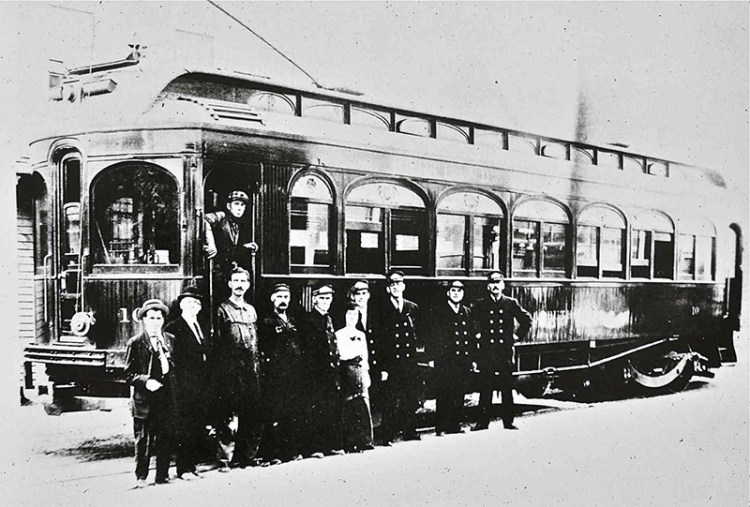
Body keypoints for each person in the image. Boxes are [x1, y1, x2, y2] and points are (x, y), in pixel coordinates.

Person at [213, 266, 263, 468]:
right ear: (230, 284)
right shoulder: (222, 310)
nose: (240, 285)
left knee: (252, 413)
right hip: (231, 370)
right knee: (229, 415)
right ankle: (225, 459)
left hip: (251, 369)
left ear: (248, 285)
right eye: (236, 281)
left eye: (243, 281)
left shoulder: (251, 310)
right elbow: (218, 343)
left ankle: (248, 457)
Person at [124, 298, 176, 488]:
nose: (155, 322)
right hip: (145, 400)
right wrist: (147, 382)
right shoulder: (136, 343)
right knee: (143, 440)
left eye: (159, 318)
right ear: (144, 320)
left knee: (165, 437)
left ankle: (162, 475)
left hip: (165, 397)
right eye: (151, 318)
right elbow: (128, 374)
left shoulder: (170, 340)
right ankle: (141, 477)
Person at [471, 272, 532, 431]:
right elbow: (472, 320)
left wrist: (517, 336)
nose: (495, 285)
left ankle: (508, 422)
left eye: (498, 282)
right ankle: (482, 423)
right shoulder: (481, 304)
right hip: (487, 352)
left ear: (503, 285)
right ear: (488, 286)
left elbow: (526, 319)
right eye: (492, 282)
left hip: (504, 352)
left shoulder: (510, 303)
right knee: (486, 388)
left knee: (506, 388)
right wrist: (477, 333)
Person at [164, 285, 210, 479]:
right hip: (184, 385)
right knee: (185, 427)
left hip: (199, 385)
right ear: (182, 305)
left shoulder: (199, 326)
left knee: (196, 425)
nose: (194, 306)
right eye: (190, 303)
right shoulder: (174, 327)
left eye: (197, 303)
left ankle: (191, 466)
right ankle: (183, 469)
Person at [257, 283, 306, 464]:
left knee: (292, 413)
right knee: (274, 414)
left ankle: (290, 451)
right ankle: (273, 454)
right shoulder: (267, 321)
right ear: (272, 299)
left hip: (294, 373)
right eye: (279, 297)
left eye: (286, 297)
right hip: (275, 375)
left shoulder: (292, 319)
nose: (283, 300)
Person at [298, 283, 344, 458]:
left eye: (328, 298)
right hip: (316, 371)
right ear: (315, 298)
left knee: (331, 408)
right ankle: (315, 447)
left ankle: (331, 445)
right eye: (322, 298)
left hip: (331, 370)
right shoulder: (309, 320)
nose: (326, 301)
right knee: (316, 409)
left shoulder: (328, 318)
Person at [378, 270, 423, 444]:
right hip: (391, 361)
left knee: (410, 396)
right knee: (390, 397)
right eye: (392, 285)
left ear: (403, 286)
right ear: (388, 289)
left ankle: (409, 431)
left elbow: (418, 333)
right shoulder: (381, 308)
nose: (396, 287)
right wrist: (382, 366)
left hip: (409, 360)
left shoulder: (412, 307)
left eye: (398, 284)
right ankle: (387, 434)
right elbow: (380, 339)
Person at [430, 280, 475, 435]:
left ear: (463, 294)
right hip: (445, 360)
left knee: (459, 392)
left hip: (462, 359)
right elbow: (433, 337)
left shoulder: (467, 312)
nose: (456, 293)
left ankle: (455, 425)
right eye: (453, 290)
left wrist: (472, 359)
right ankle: (441, 427)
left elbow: (471, 338)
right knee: (444, 392)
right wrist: (432, 357)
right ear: (448, 293)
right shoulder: (438, 311)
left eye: (459, 291)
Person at [335, 302, 374, 453]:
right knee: (349, 405)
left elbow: (365, 356)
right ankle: (349, 442)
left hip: (360, 371)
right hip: (347, 371)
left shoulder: (361, 335)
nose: (352, 318)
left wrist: (366, 373)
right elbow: (340, 355)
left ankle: (365, 440)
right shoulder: (339, 334)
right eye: (349, 314)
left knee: (363, 405)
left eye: (355, 315)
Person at [204, 190, 257, 300]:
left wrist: (244, 247)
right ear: (229, 206)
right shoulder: (222, 216)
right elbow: (205, 220)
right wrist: (211, 244)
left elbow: (228, 248)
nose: (240, 208)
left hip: (226, 271)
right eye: (236, 204)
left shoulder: (237, 225)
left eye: (242, 205)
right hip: (215, 268)